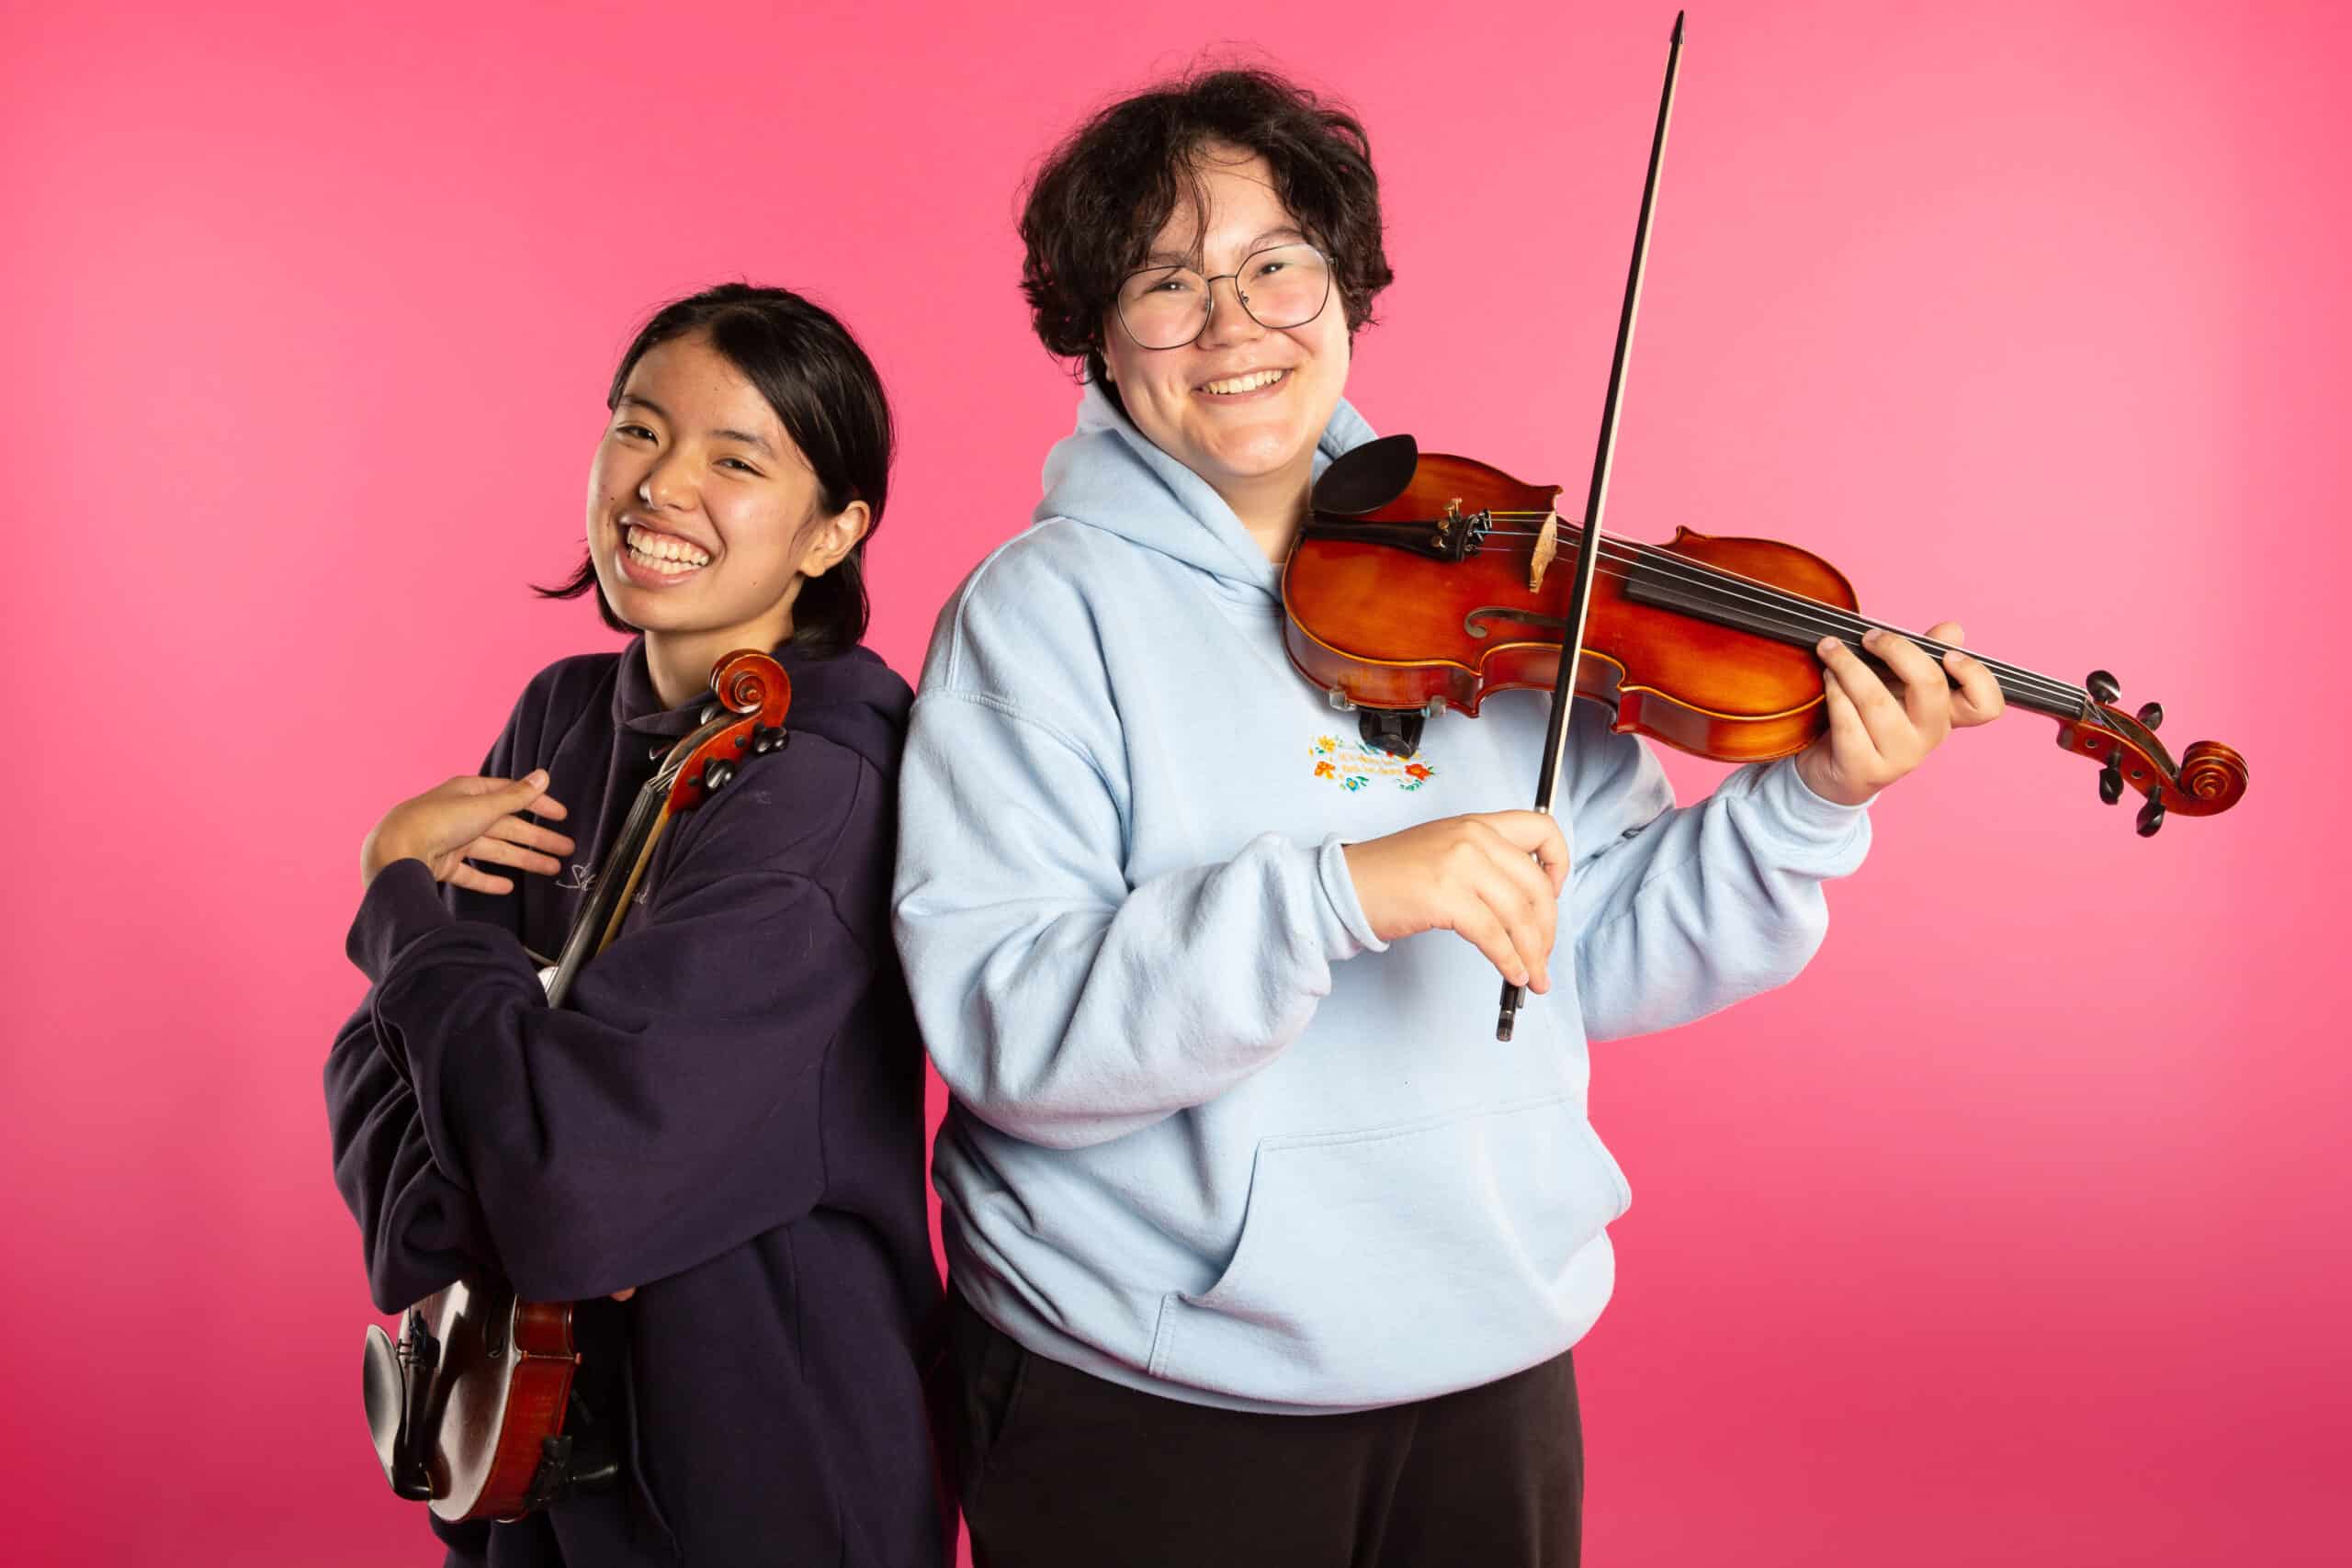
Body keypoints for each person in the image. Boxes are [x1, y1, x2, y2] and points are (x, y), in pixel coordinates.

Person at [891, 70, 2003, 1566]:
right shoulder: (1036, 620)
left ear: (1345, 286)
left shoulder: (1492, 574)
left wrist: (1806, 802)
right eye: (1167, 282)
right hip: (1154, 1374)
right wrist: (1341, 893)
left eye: (1276, 263)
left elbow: (1591, 945)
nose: (1233, 324)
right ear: (1095, 333)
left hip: (1491, 1348)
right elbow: (1013, 1038)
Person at [326, 284, 944, 1567]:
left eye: (737, 459)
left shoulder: (818, 789)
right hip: (523, 1437)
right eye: (639, 431)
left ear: (832, 534)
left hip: (754, 1452)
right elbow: (372, 1074)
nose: (660, 485)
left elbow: (566, 1182)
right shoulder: (561, 721)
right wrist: (485, 1206)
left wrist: (396, 895)